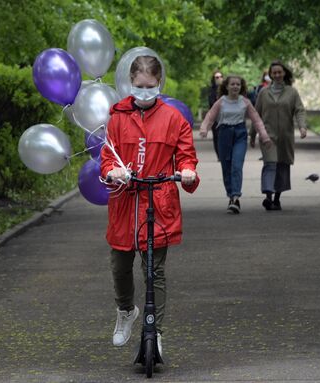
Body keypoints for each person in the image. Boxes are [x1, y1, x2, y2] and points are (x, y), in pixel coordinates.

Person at [100, 55, 199, 356]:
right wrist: (111, 171)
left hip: (158, 202)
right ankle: (126, 310)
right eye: (138, 87)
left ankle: (154, 330)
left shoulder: (173, 119)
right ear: (130, 84)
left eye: (150, 87)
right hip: (125, 204)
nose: (144, 92)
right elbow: (107, 157)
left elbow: (186, 156)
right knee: (120, 267)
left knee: (154, 272)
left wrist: (188, 171)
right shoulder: (117, 118)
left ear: (159, 84)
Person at [199, 75, 272, 214]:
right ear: (226, 86)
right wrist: (204, 129)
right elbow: (210, 116)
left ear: (241, 87)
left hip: (240, 134)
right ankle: (231, 196)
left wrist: (264, 136)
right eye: (232, 84)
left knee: (236, 165)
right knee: (226, 166)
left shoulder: (245, 102)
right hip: (224, 134)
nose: (235, 87)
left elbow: (256, 119)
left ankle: (235, 197)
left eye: (238, 84)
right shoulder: (221, 101)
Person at [251, 60, 307, 211]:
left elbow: (299, 110)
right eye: (274, 73)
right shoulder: (263, 93)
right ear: (270, 75)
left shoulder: (292, 92)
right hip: (267, 136)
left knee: (282, 165)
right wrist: (252, 135)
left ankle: (277, 198)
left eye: (279, 72)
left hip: (285, 136)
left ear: (284, 74)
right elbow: (256, 114)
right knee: (270, 164)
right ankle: (268, 196)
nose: (276, 75)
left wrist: (302, 127)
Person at [208, 70, 223, 160]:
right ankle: (219, 155)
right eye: (217, 77)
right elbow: (211, 103)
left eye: (220, 76)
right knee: (216, 136)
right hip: (215, 118)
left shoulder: (226, 89)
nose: (219, 79)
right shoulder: (212, 91)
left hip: (225, 117)